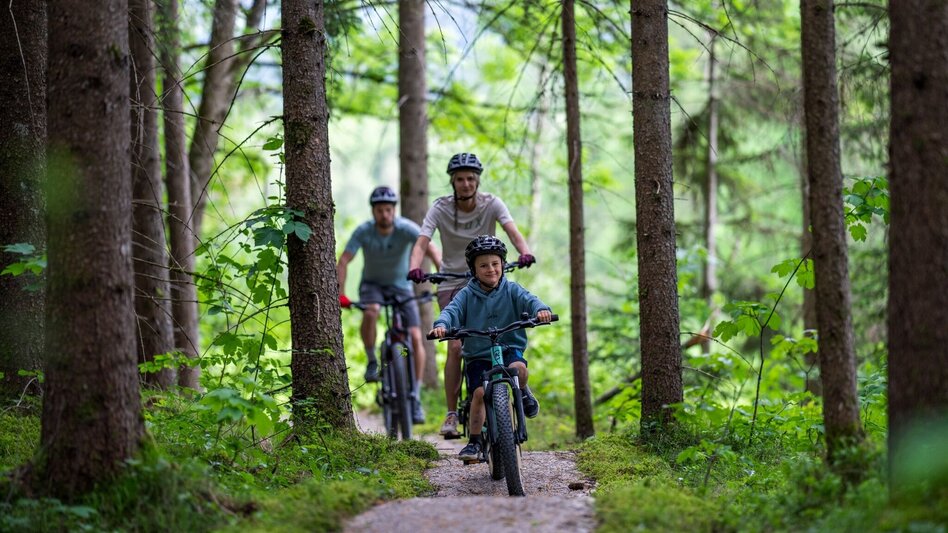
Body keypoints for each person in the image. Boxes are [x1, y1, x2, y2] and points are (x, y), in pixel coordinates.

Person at [407, 152, 536, 439]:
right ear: (452, 182)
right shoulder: (440, 207)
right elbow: (422, 240)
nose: (465, 184)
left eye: (470, 179)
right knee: (455, 347)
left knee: (501, 334)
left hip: (487, 276)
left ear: (477, 181)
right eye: (460, 179)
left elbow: (511, 229)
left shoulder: (492, 204)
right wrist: (414, 267)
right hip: (452, 280)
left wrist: (524, 251)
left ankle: (517, 387)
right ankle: (452, 413)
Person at [428, 235, 550, 460]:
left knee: (519, 369)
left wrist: (541, 310)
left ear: (503, 264)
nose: (491, 269)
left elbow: (530, 300)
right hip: (478, 355)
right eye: (483, 265)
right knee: (480, 393)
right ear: (473, 270)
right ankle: (474, 442)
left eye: (495, 264)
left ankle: (522, 391)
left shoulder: (512, 289)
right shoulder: (465, 294)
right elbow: (451, 311)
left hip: (509, 346)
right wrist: (442, 325)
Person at [337, 186, 441, 423]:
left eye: (388, 209)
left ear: (394, 210)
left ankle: (414, 396)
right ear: (373, 212)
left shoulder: (406, 229)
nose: (384, 214)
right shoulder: (364, 231)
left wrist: (441, 279)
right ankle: (373, 360)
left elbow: (430, 248)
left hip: (401, 287)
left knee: (416, 336)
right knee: (372, 311)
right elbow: (344, 260)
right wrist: (340, 293)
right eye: (379, 210)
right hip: (372, 285)